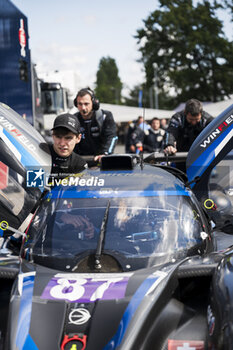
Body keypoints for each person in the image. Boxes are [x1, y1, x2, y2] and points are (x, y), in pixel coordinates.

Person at [73, 87, 118, 162]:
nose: (83, 108)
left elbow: (112, 137)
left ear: (94, 103)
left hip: (101, 159)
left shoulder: (105, 116)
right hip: (80, 161)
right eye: (80, 104)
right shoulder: (73, 119)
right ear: (76, 104)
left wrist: (105, 153)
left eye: (86, 104)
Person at [49, 113, 87, 178]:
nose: (62, 143)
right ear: (52, 136)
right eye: (58, 137)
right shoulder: (40, 154)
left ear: (78, 138)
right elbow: (33, 185)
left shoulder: (80, 164)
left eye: (68, 138)